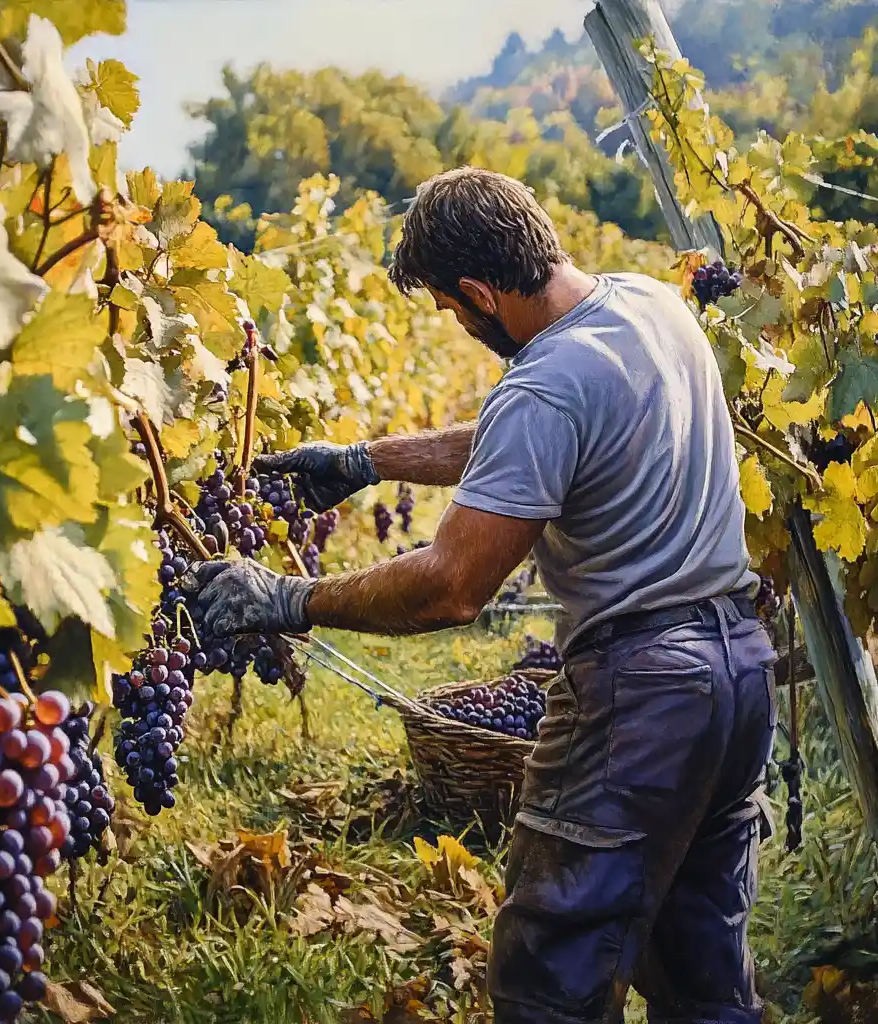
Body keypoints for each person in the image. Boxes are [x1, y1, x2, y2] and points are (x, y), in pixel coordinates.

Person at [183, 167, 777, 1024]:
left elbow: (452, 588)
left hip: (642, 703)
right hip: (738, 676)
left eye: (451, 311)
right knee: (702, 973)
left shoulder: (544, 385)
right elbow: (529, 436)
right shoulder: (648, 306)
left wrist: (287, 597)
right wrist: (366, 461)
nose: (457, 327)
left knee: (551, 980)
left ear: (478, 291)